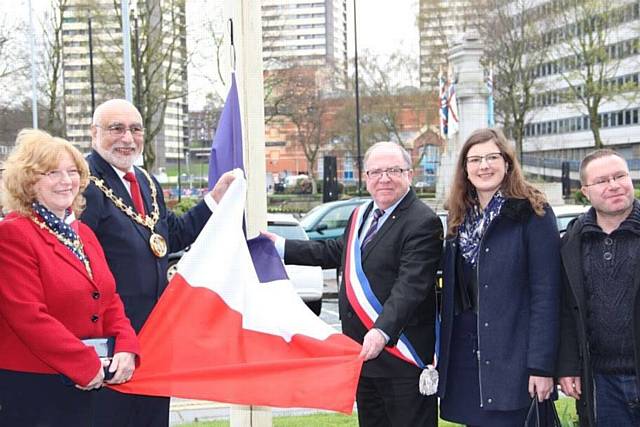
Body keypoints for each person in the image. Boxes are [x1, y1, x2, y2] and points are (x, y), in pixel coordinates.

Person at [265, 141, 443, 426]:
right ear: (366, 177)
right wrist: (280, 247)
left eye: (394, 170)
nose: (384, 178)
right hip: (363, 356)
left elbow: (410, 286)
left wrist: (381, 332)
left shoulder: (423, 221)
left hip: (401, 358)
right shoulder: (361, 214)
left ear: (409, 174)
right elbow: (337, 251)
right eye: (376, 172)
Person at [82, 99, 234, 427]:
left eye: (135, 129)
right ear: (94, 134)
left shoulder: (146, 182)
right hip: (112, 338)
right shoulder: (83, 183)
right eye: (116, 129)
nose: (128, 138)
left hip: (155, 335)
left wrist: (214, 200)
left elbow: (169, 238)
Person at [0, 129, 140, 426]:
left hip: (87, 383)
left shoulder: (83, 233)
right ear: (28, 181)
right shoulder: (12, 234)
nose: (66, 181)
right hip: (37, 389)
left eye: (73, 171)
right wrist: (85, 364)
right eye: (52, 173)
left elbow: (108, 298)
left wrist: (126, 346)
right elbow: (28, 316)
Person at [437, 128, 562, 426]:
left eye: (492, 157)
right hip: (466, 356)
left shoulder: (534, 213)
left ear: (507, 163)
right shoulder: (458, 220)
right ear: (465, 170)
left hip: (514, 358)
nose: (484, 166)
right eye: (475, 160)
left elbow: (547, 295)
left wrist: (542, 367)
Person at [557, 149, 640, 426]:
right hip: (601, 383)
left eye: (620, 176)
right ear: (585, 191)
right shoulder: (573, 241)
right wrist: (568, 366)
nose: (614, 185)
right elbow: (568, 311)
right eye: (603, 181)